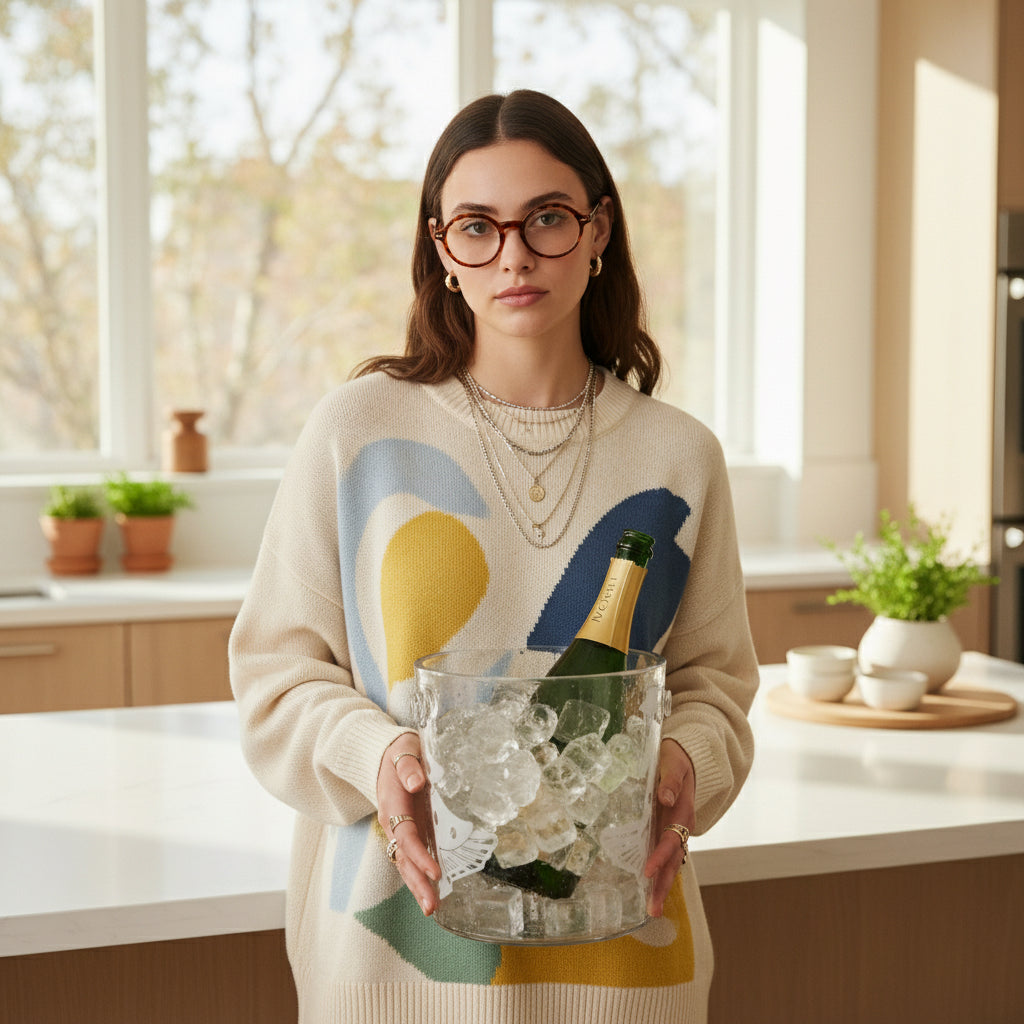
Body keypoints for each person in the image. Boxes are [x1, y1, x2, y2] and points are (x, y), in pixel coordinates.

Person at [229, 88, 758, 1023]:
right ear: (442, 250)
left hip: (624, 968)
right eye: (477, 226)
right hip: (395, 969)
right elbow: (276, 675)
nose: (514, 255)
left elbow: (716, 685)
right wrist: (380, 754)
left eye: (547, 218)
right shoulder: (358, 434)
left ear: (598, 231)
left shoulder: (680, 455)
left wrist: (685, 755)